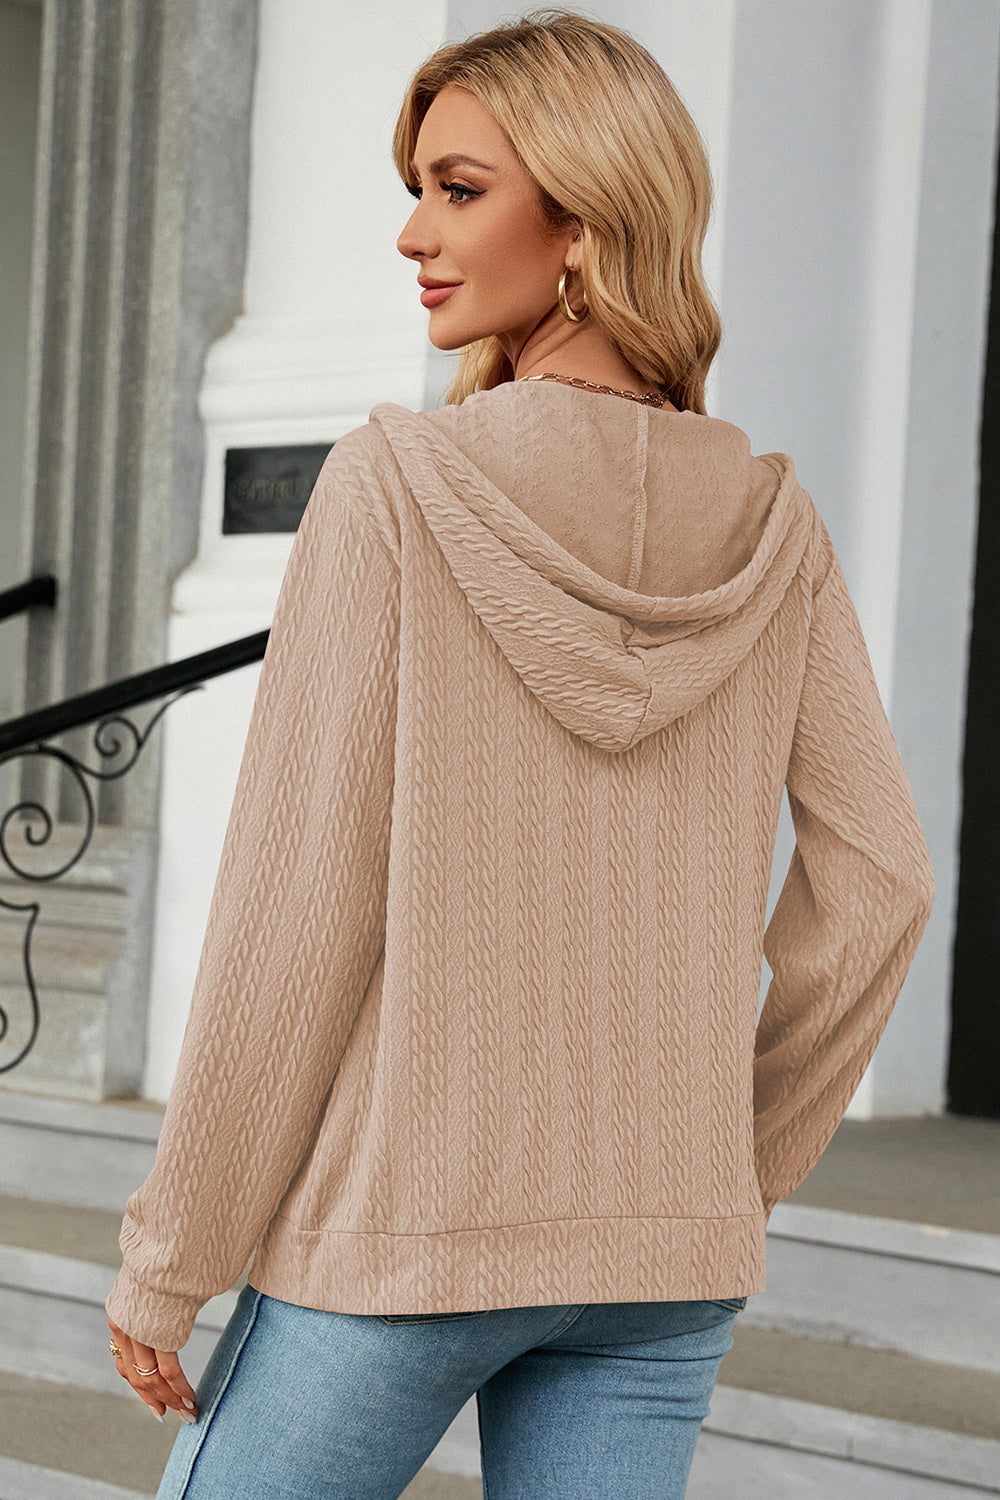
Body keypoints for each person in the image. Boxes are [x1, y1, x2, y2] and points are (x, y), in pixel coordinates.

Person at [105, 9, 935, 1498]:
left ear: (583, 225)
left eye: (460, 188)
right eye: (417, 187)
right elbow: (881, 887)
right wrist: (719, 1170)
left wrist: (175, 1253)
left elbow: (297, 911)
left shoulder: (396, 485)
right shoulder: (780, 524)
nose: (413, 231)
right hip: (660, 1261)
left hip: (408, 1237)